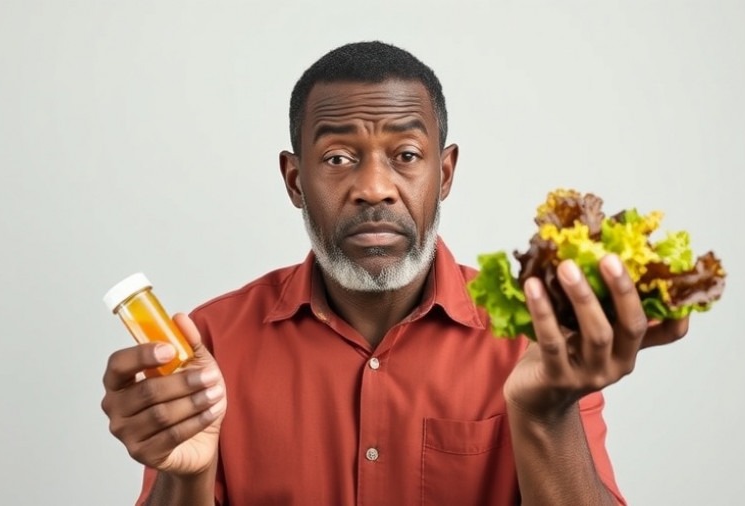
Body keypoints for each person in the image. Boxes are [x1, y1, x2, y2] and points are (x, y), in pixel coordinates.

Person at [101, 41, 689, 506]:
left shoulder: (539, 338)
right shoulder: (210, 345)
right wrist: (186, 476)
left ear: (445, 173)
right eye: (337, 158)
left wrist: (546, 414)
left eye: (406, 155)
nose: (374, 188)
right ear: (295, 181)